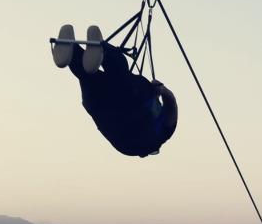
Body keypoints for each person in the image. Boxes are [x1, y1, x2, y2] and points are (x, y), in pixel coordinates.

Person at [52, 25, 177, 158]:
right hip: (98, 105)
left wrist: (161, 89)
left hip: (129, 99)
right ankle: (72, 51)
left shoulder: (164, 133)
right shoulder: (128, 149)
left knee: (119, 69)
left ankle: (101, 48)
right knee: (86, 74)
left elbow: (172, 104)